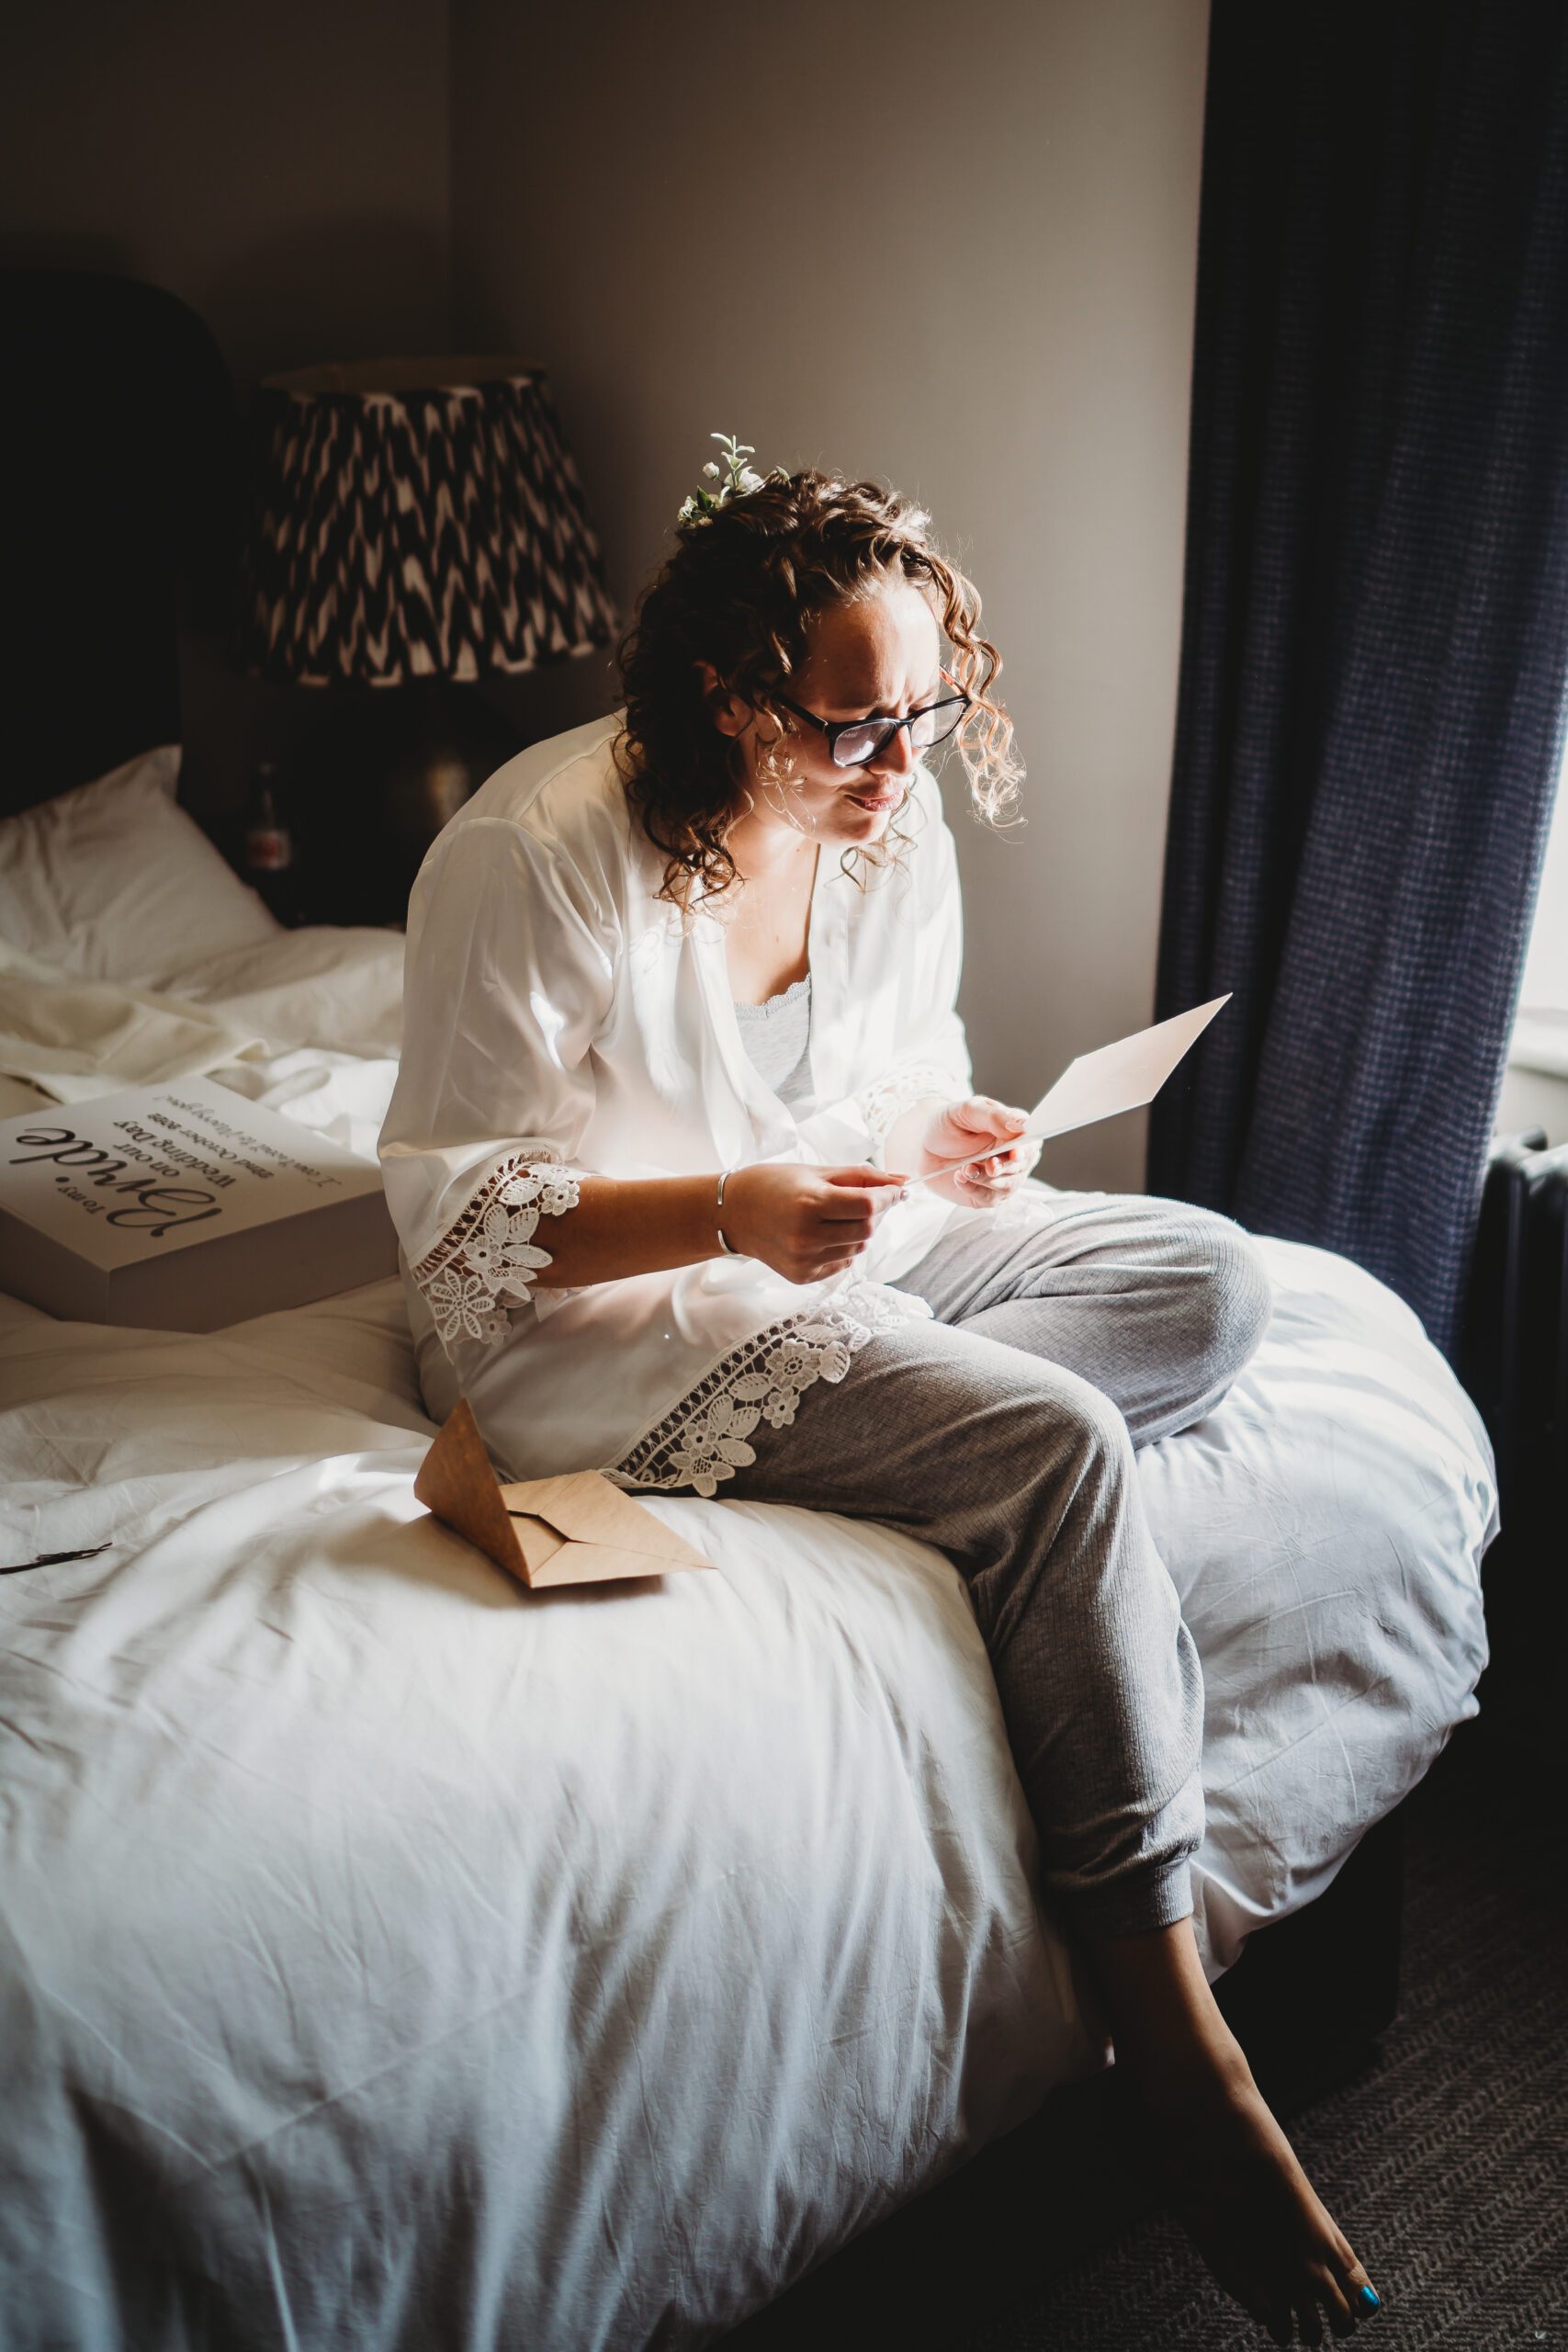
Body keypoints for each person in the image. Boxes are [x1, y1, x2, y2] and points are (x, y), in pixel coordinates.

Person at [378, 451, 1382, 2347]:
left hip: (844, 1259)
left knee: (1208, 1286)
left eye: (926, 708)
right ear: (724, 701)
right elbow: (454, 1223)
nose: (899, 765)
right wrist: (726, 1206)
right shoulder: (525, 851)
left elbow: (880, 1070)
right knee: (1058, 1442)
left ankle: (929, 1457)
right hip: (615, 1322)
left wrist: (941, 1134)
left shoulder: (881, 819)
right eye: (852, 723)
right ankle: (1175, 2045)